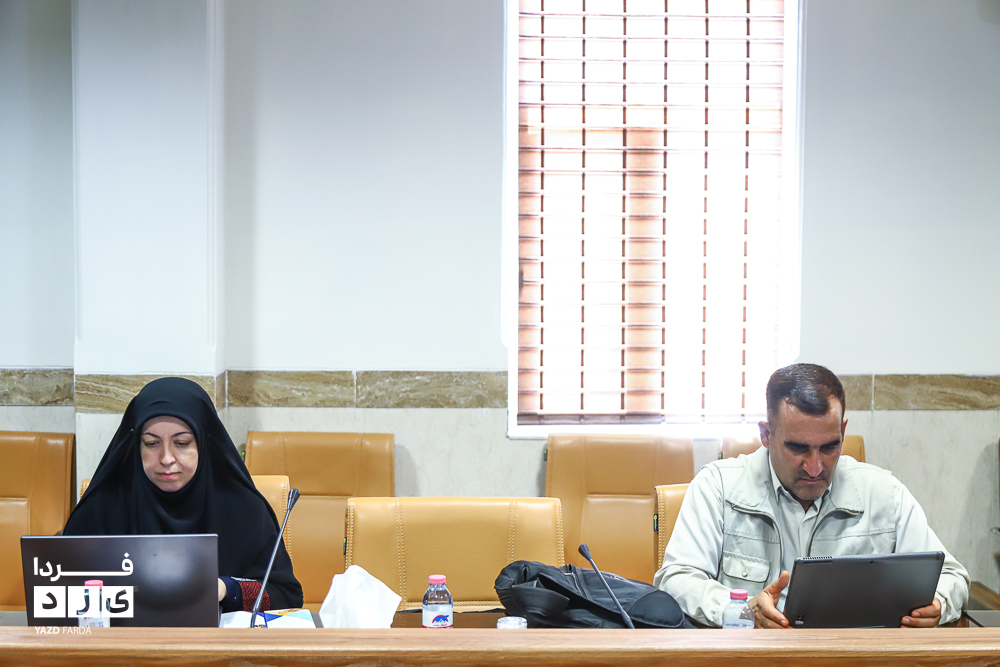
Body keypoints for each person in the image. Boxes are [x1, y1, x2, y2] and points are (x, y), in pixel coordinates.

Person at [654, 363, 969, 628]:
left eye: (829, 447)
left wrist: (939, 603)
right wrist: (743, 611)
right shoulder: (718, 487)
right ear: (766, 434)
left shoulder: (884, 494)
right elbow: (677, 579)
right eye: (798, 448)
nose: (815, 467)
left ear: (842, 431)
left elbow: (952, 576)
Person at [64, 377, 303, 613]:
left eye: (181, 443)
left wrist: (227, 588)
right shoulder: (104, 505)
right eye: (151, 443)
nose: (166, 459)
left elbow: (286, 595)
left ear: (203, 443)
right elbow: (59, 590)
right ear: (135, 445)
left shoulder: (244, 508)